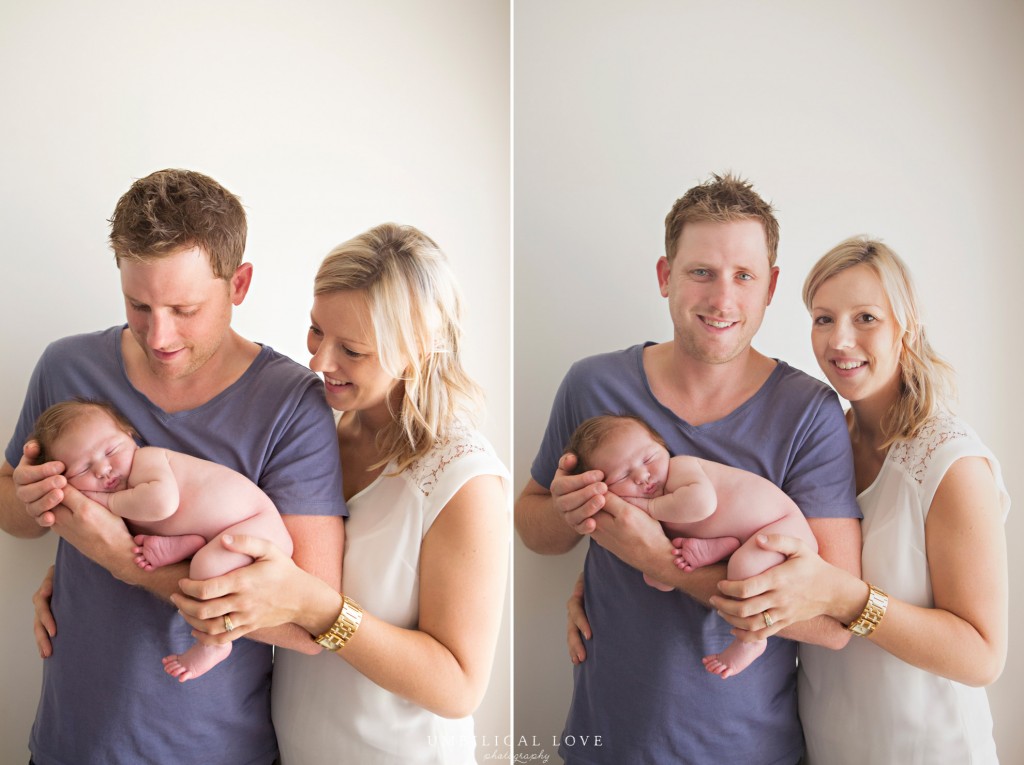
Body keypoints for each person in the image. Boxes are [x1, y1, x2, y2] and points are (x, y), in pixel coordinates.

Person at [515, 173, 862, 764]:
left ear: (771, 286)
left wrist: (659, 562)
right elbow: (532, 524)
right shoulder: (593, 385)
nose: (723, 299)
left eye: (744, 276)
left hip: (745, 749)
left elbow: (832, 620)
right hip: (604, 742)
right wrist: (572, 517)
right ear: (664, 276)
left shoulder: (808, 412)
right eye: (701, 272)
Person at [2, 168, 346, 765]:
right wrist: (33, 504)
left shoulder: (291, 405)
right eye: (138, 304)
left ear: (239, 285)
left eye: (184, 309)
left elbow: (306, 625)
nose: (159, 335)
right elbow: (14, 512)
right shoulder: (67, 368)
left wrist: (124, 562)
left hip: (211, 750)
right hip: (68, 743)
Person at [165, 223, 509, 764]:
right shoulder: (315, 430)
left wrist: (320, 608)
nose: (319, 362)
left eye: (351, 349)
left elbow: (459, 686)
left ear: (416, 350)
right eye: (315, 331)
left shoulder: (464, 480)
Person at [707, 238, 1009, 763]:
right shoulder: (820, 446)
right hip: (829, 744)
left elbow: (982, 656)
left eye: (865, 317)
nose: (840, 340)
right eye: (824, 319)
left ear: (905, 327)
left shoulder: (951, 464)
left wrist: (847, 598)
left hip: (927, 750)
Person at [31, 397, 294, 682]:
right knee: (203, 559)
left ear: (129, 434)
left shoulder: (148, 460)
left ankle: (215, 644)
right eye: (83, 469)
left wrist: (108, 501)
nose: (103, 469)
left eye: (111, 450)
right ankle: (187, 543)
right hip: (220, 533)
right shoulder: (126, 494)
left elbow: (162, 504)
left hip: (255, 526)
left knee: (207, 569)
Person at [566, 413, 817, 677]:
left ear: (662, 446)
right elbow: (665, 574)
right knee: (664, 574)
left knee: (745, 567)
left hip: (781, 528)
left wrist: (650, 507)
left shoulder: (680, 469)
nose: (643, 475)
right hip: (747, 536)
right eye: (623, 476)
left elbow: (702, 504)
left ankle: (751, 641)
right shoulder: (654, 510)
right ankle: (722, 545)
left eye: (649, 458)